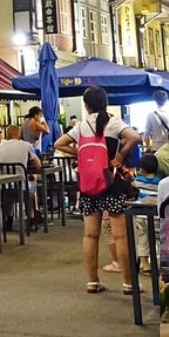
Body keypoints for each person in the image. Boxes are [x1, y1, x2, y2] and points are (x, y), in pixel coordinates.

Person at [54, 86, 140, 295]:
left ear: (86, 105)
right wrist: (120, 157)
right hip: (111, 182)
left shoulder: (81, 126)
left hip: (88, 184)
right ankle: (129, 283)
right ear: (105, 102)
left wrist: (80, 155)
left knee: (90, 235)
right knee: (121, 236)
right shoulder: (113, 122)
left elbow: (59, 143)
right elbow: (134, 137)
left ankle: (92, 281)